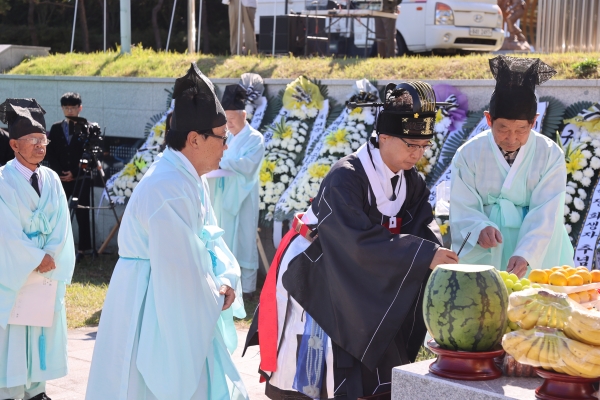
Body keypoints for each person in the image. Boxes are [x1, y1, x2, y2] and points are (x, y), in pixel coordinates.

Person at [244, 81, 459, 399]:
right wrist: (422, 254)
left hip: (361, 279)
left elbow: (421, 224)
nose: (418, 154)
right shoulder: (345, 176)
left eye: (424, 147)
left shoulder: (408, 180)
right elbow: (352, 240)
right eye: (411, 145)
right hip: (320, 272)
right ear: (384, 137)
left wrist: (436, 250)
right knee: (316, 376)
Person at [86, 63, 248, 400]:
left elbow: (209, 239)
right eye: (222, 138)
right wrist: (213, 293)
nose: (227, 147)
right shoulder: (169, 187)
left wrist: (226, 277)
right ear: (194, 139)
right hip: (151, 302)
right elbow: (180, 274)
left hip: (170, 293)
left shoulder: (187, 177)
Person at [449, 55, 574, 278]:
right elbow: (462, 204)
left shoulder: (550, 154)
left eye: (521, 130)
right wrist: (479, 228)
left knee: (537, 303)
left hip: (539, 244)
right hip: (489, 244)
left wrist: (526, 253)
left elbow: (546, 209)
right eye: (503, 128)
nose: (512, 138)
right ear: (488, 120)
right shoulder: (468, 154)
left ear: (534, 122)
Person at [0, 98, 76, 400]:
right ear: (14, 144)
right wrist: (34, 258)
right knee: (15, 329)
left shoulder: (52, 179)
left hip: (46, 271)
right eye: (32, 140)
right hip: (18, 272)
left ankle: (37, 388)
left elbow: (61, 226)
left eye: (43, 140)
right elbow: (5, 232)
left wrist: (51, 257)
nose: (40, 146)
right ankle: (10, 389)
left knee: (42, 325)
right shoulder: (2, 181)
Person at [208, 84, 265, 299]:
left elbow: (248, 166)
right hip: (224, 194)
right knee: (224, 235)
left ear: (244, 114)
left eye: (232, 119)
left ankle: (247, 288)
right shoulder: (228, 136)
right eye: (226, 119)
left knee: (243, 236)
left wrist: (223, 162)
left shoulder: (255, 138)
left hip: (243, 195)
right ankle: (225, 282)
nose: (229, 123)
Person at [45, 92, 91, 261]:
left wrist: (76, 172)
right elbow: (51, 154)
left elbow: (89, 155)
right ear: (62, 108)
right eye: (66, 107)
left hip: (81, 179)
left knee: (82, 214)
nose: (69, 111)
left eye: (73, 107)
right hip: (61, 178)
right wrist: (60, 173)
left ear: (80, 108)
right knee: (59, 213)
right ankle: (58, 248)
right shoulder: (56, 128)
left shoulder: (87, 127)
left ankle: (83, 250)